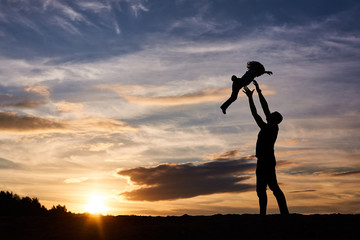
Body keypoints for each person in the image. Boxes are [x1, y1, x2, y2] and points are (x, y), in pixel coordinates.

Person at [243, 80, 289, 215]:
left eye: (272, 115)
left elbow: (264, 108)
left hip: (267, 160)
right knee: (261, 190)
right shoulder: (265, 126)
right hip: (262, 160)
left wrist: (258, 92)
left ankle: (284, 213)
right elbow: (256, 114)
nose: (269, 114)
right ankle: (263, 213)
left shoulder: (273, 128)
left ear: (275, 119)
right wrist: (251, 98)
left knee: (273, 187)